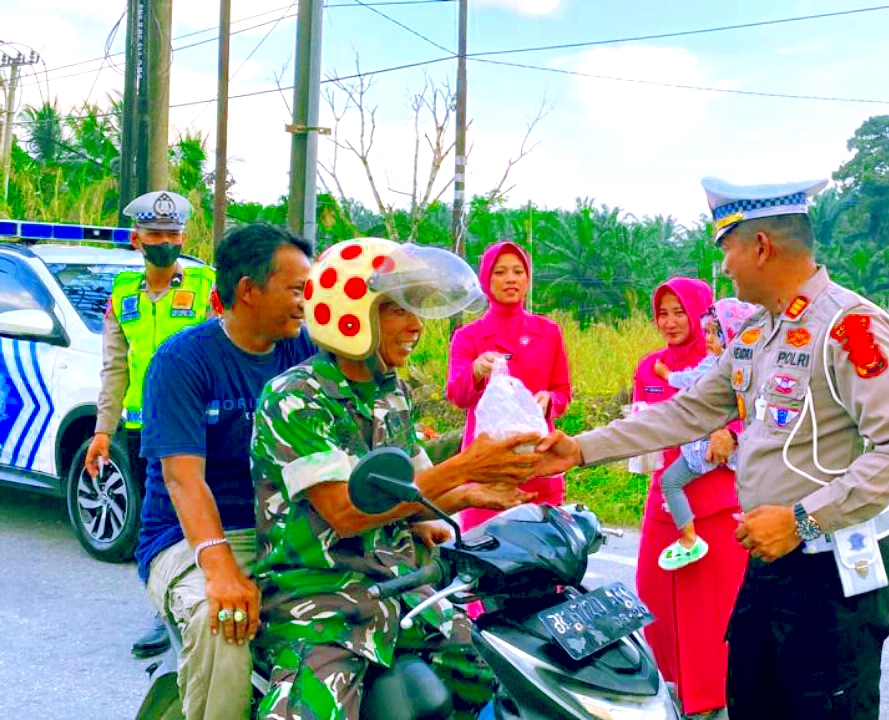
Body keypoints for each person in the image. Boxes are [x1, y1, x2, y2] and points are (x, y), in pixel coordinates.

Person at [535, 177, 889, 720]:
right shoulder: (753, 333)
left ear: (761, 247)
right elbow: (687, 411)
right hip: (768, 564)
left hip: (832, 576)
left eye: (726, 248)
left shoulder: (851, 328)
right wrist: (579, 449)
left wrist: (803, 521)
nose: (723, 266)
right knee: (750, 700)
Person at [250, 238, 545, 720]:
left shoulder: (393, 392)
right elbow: (346, 511)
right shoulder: (296, 397)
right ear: (351, 312)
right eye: (396, 309)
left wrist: (475, 491)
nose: (415, 326)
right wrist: (467, 465)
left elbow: (416, 489)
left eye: (417, 309)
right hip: (320, 599)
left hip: (399, 588)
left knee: (502, 673)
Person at [136, 223, 316, 720]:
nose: (307, 303)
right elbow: (182, 479)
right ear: (248, 290)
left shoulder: (306, 351)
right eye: (297, 290)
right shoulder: (183, 362)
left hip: (285, 532)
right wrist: (220, 572)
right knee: (223, 622)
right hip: (190, 539)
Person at [82, 190, 216, 659]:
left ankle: (194, 605)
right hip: (144, 431)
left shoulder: (206, 286)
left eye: (173, 234)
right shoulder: (122, 292)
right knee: (155, 528)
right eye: (156, 234)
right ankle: (163, 611)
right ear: (137, 240)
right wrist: (103, 430)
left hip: (202, 428)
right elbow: (115, 367)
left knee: (200, 518)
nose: (165, 241)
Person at [446, 240, 571, 534]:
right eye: (500, 272)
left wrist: (549, 400)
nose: (511, 279)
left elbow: (563, 392)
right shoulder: (468, 337)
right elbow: (458, 395)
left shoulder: (549, 333)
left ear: (528, 280)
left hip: (540, 464)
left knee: (542, 565)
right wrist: (476, 370)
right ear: (486, 281)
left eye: (518, 271)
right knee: (487, 558)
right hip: (488, 469)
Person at [653, 298, 757, 571]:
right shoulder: (747, 365)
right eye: (707, 331)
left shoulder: (717, 365)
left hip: (707, 448)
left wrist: (665, 373)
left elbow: (690, 382)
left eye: (715, 332)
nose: (708, 339)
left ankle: (689, 538)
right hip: (736, 453)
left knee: (671, 482)